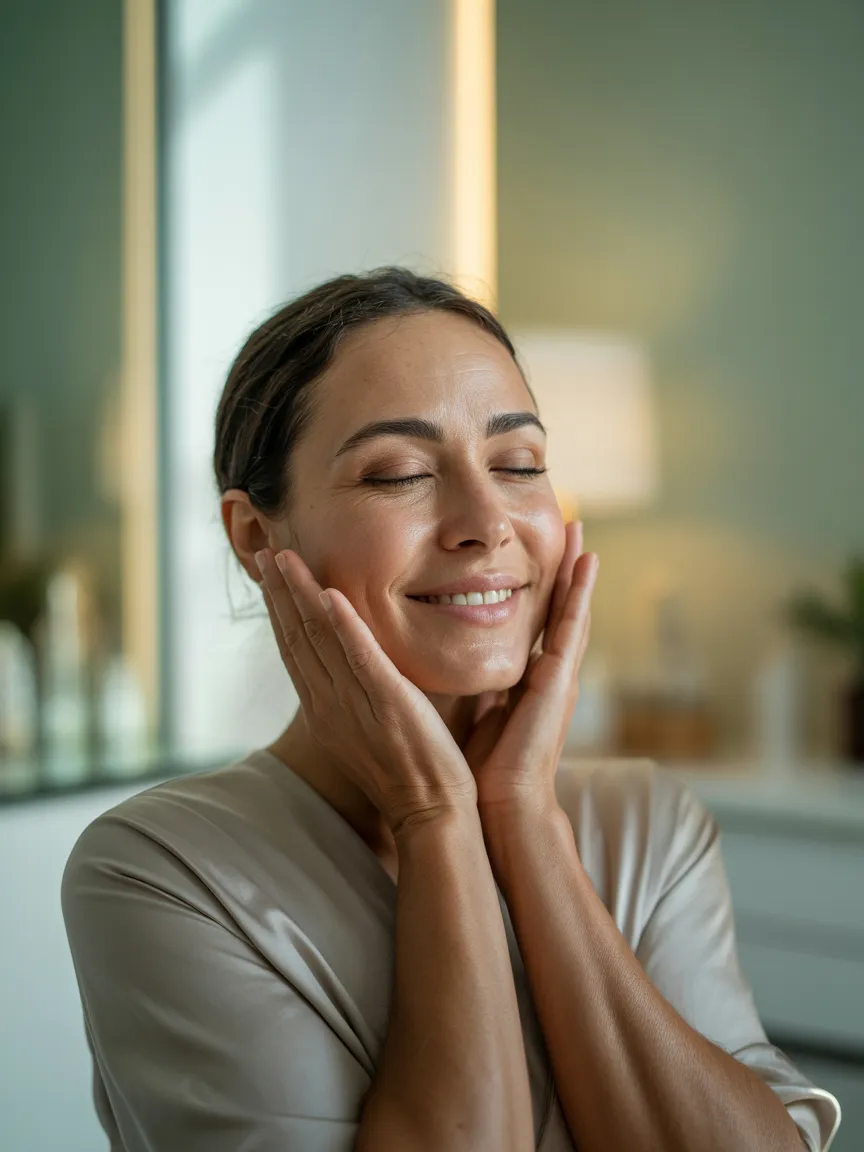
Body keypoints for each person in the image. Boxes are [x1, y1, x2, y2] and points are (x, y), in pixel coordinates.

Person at [62, 267, 841, 1152]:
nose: (486, 520)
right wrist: (435, 816)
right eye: (398, 474)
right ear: (256, 536)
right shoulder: (160, 872)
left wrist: (523, 820)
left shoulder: (649, 826)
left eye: (520, 465)